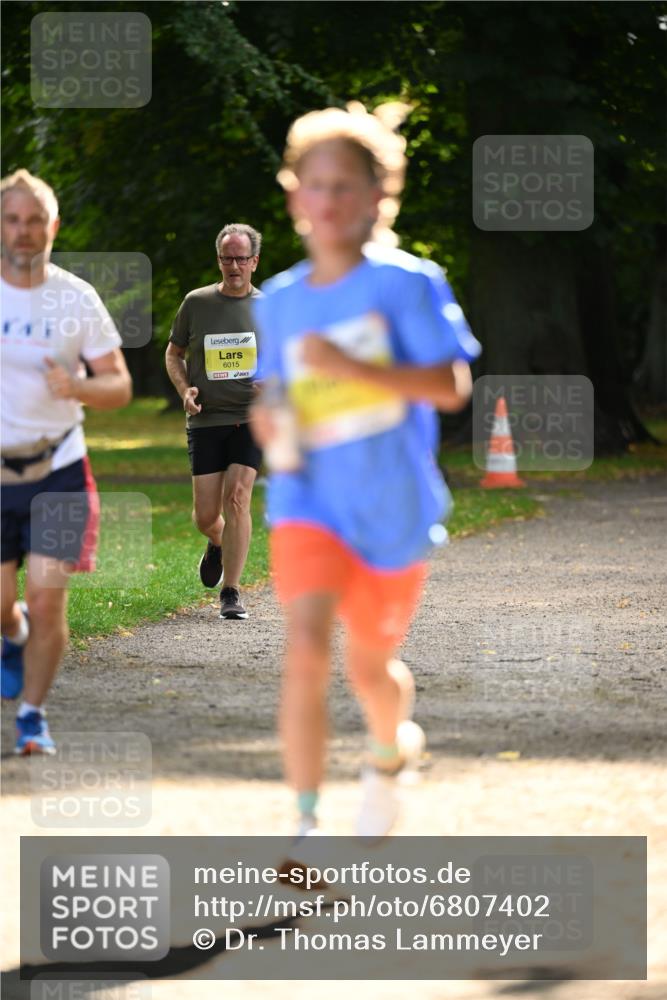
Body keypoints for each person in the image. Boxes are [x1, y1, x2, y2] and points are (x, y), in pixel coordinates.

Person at [251, 103, 481, 838]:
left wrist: (351, 367)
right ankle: (305, 825)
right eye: (315, 185)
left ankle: (387, 754)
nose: (329, 200)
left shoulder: (406, 283)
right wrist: (269, 422)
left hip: (391, 506)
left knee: (371, 666)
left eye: (346, 185)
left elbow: (449, 387)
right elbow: (276, 395)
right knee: (308, 648)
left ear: (381, 195)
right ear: (295, 198)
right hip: (307, 500)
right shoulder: (280, 300)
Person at [1, 169, 132, 755]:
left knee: (51, 595)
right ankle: (12, 630)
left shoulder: (76, 298)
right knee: (4, 606)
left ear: (52, 227)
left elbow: (120, 386)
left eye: (34, 221)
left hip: (59, 471)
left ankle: (33, 715)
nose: (23, 232)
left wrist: (78, 386)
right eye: (12, 219)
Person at [166, 224, 263, 620]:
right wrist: (185, 389)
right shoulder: (197, 302)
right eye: (228, 258)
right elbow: (174, 353)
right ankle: (219, 541)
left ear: (254, 261)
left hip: (251, 417)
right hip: (206, 420)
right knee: (206, 516)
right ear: (218, 260)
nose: (234, 266)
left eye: (242, 259)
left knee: (238, 496)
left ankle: (231, 592)